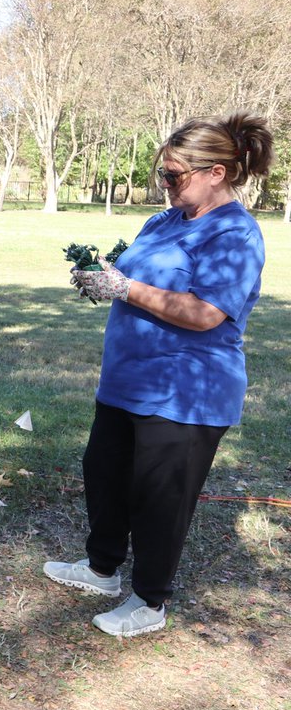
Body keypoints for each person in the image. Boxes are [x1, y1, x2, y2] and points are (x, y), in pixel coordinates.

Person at [45, 112, 274, 637]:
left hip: (186, 392)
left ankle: (149, 603)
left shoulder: (235, 234)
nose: (165, 185)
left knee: (159, 499)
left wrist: (126, 290)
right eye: (163, 176)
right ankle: (101, 570)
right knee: (104, 478)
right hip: (128, 381)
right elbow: (134, 277)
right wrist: (103, 278)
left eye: (175, 176)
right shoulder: (163, 220)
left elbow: (204, 313)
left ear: (216, 173)